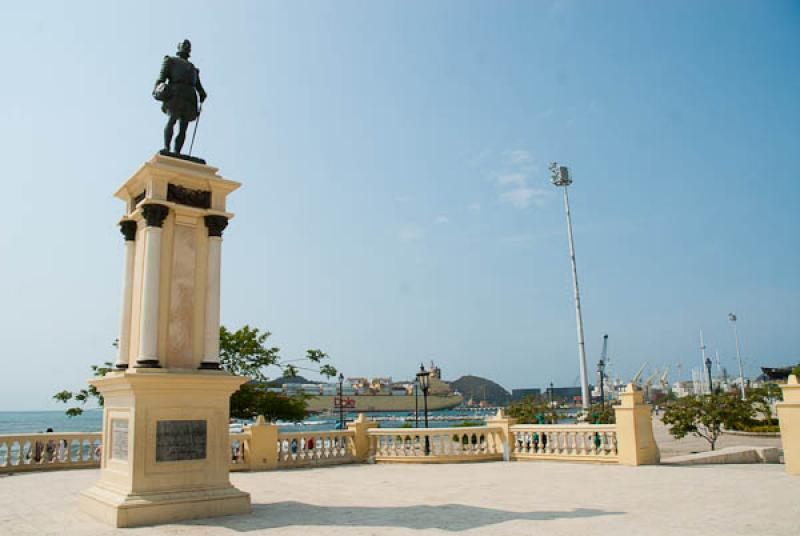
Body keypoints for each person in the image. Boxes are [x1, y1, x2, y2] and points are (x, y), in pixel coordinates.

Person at [154, 39, 207, 155]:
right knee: (172, 119)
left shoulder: (193, 68)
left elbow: (198, 85)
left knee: (184, 126)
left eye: (188, 46)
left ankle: (177, 151)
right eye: (184, 45)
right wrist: (157, 89)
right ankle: (166, 147)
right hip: (175, 93)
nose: (186, 47)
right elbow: (161, 78)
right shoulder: (171, 61)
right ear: (179, 47)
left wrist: (202, 94)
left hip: (189, 96)